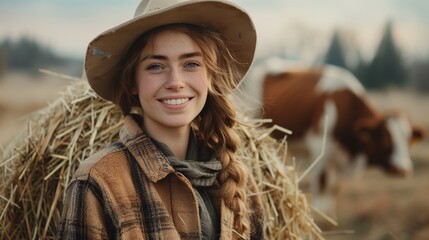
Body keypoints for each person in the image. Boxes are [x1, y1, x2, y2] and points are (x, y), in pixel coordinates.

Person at [57, 0, 263, 239]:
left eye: (191, 64)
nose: (176, 82)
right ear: (132, 81)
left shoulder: (237, 179)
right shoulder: (98, 182)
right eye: (155, 66)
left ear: (211, 76)